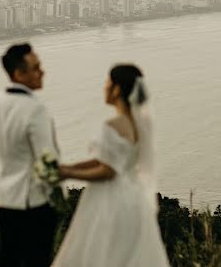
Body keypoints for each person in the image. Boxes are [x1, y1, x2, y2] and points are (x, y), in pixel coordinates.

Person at [51, 64, 170, 267]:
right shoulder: (144, 123)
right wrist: (68, 167)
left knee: (104, 253)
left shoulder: (112, 126)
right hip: (135, 197)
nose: (104, 88)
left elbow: (108, 170)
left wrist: (69, 173)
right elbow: (106, 160)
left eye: (107, 83)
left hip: (111, 199)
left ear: (117, 89)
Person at [0, 43, 60, 267]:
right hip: (33, 201)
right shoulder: (35, 109)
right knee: (37, 260)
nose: (42, 72)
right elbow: (48, 161)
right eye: (36, 68)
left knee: (8, 258)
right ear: (19, 73)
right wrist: (54, 196)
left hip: (3, 200)